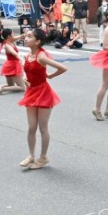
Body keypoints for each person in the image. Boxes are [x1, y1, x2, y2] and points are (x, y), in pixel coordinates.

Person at [18, 29, 67, 170]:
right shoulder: (28, 55)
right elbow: (27, 71)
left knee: (43, 128)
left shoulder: (41, 56)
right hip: (31, 93)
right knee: (31, 127)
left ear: (38, 41)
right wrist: (24, 78)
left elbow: (63, 68)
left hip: (43, 93)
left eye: (29, 36)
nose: (26, 38)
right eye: (26, 36)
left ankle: (43, 157)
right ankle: (31, 155)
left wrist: (50, 76)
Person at [0, 29, 26, 96]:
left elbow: (20, 36)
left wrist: (27, 34)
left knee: (10, 85)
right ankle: (3, 89)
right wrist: (22, 60)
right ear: (9, 36)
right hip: (13, 66)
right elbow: (15, 54)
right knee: (22, 87)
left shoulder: (10, 40)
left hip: (8, 65)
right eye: (13, 33)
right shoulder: (8, 46)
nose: (14, 34)